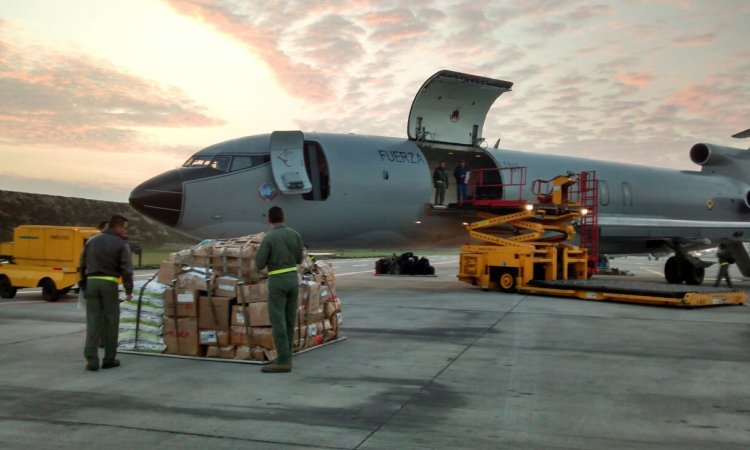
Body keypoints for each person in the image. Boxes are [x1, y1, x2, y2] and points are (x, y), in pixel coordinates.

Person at [80, 215, 133, 371]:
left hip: (92, 282)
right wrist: (128, 289)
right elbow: (126, 268)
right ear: (116, 227)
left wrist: (83, 284)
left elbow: (82, 263)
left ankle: (92, 360)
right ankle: (109, 358)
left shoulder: (91, 241)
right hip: (109, 283)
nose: (124, 231)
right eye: (124, 227)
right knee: (111, 321)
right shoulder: (121, 243)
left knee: (93, 321)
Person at [255, 206, 304, 373]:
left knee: (278, 321)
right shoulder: (295, 234)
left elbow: (259, 264)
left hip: (277, 281)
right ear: (284, 218)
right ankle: (287, 355)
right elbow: (299, 258)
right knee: (290, 319)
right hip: (293, 278)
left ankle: (282, 360)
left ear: (269, 220)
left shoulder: (269, 237)